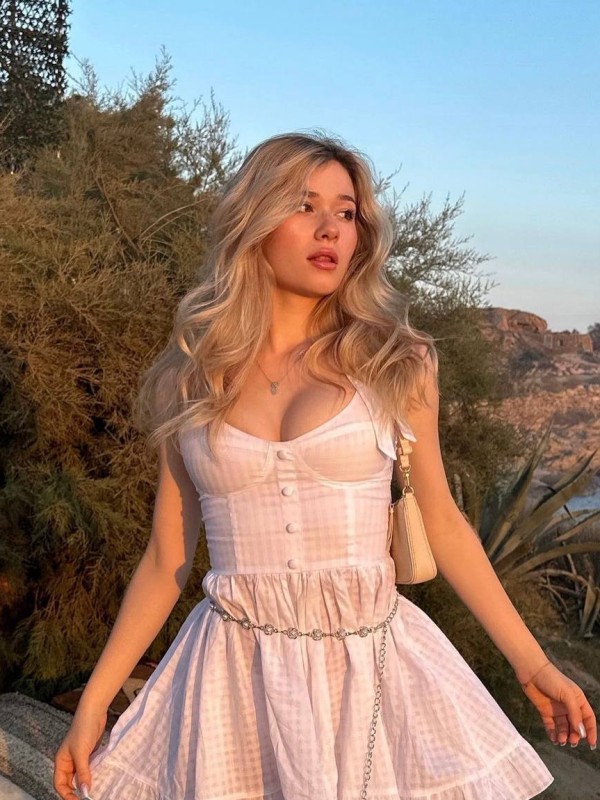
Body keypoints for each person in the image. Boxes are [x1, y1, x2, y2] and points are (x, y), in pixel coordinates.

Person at [54, 131, 596, 800]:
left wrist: (532, 664)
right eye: (304, 206)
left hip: (369, 675)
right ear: (254, 221)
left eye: (346, 212)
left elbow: (443, 522)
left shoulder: (396, 361)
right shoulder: (190, 377)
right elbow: (168, 557)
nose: (331, 229)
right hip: (230, 676)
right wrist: (94, 703)